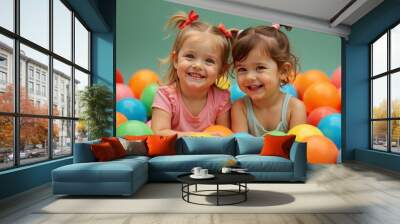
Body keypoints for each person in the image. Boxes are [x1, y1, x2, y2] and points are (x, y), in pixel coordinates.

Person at [151, 10, 232, 137]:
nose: (197, 65)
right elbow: (158, 134)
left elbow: (224, 135)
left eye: (209, 61)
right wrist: (199, 137)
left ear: (221, 70)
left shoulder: (221, 99)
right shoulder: (165, 95)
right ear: (176, 60)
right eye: (190, 56)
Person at [231, 24, 307, 136]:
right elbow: (241, 148)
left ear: (283, 71)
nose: (249, 77)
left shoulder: (295, 108)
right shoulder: (240, 108)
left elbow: (296, 150)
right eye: (242, 69)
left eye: (260, 68)